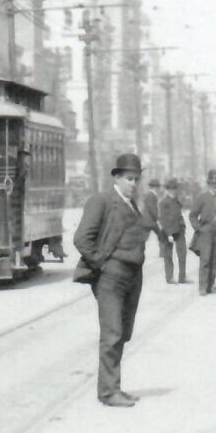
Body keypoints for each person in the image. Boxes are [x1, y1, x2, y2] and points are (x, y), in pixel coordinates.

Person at [73, 153, 153, 407]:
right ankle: (108, 392)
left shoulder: (132, 204)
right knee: (112, 332)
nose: (133, 184)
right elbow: (82, 238)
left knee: (124, 332)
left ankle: (114, 386)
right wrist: (102, 264)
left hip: (132, 276)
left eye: (136, 179)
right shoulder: (102, 201)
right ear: (116, 178)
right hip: (111, 277)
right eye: (129, 178)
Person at [189, 169, 216, 295]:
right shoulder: (202, 197)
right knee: (205, 259)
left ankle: (210, 286)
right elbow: (193, 215)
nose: (215, 185)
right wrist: (198, 228)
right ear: (208, 184)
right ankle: (202, 287)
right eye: (212, 183)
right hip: (205, 232)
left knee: (215, 260)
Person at [158, 178, 188, 284]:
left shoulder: (177, 202)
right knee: (168, 255)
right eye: (171, 189)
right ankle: (170, 278)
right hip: (168, 232)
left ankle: (182, 277)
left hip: (179, 230)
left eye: (175, 189)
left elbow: (179, 215)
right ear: (168, 190)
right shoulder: (163, 203)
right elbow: (163, 219)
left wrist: (183, 226)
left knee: (182, 253)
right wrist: (169, 234)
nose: (173, 191)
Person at [139, 176, 162, 251]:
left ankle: (138, 250)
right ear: (154, 187)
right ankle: (163, 252)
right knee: (161, 235)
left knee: (144, 237)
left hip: (147, 220)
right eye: (157, 187)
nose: (158, 188)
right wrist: (157, 218)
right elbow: (152, 209)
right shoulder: (151, 195)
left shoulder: (150, 195)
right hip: (150, 220)